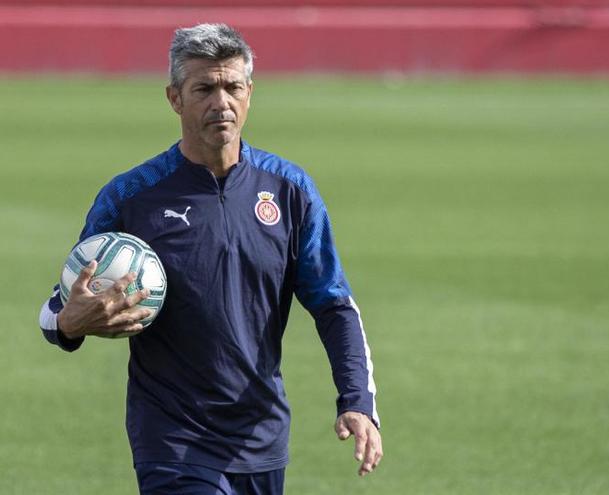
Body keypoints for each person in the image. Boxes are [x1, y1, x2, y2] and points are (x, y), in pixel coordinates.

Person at [37, 23, 382, 494]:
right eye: (204, 88)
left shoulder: (290, 191)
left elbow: (333, 303)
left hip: (261, 434)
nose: (221, 102)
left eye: (232, 86)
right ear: (175, 98)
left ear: (249, 93)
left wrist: (358, 400)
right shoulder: (131, 197)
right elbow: (56, 309)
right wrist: (70, 324)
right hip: (171, 437)